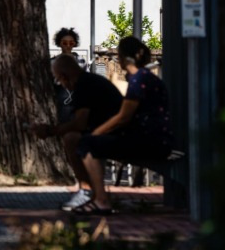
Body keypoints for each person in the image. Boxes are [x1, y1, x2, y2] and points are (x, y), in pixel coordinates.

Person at [73, 36, 174, 216]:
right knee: (94, 142)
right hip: (155, 138)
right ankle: (98, 197)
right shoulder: (145, 77)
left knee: (88, 143)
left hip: (151, 142)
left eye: (118, 55)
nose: (117, 60)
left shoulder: (139, 79)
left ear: (124, 57)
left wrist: (97, 133)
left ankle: (100, 201)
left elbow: (123, 117)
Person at [30, 54, 123, 211]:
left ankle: (87, 191)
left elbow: (80, 123)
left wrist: (49, 131)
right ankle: (92, 192)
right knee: (77, 138)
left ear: (64, 76)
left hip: (119, 137)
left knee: (73, 139)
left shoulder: (83, 86)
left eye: (59, 80)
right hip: (117, 133)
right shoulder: (88, 81)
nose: (61, 84)